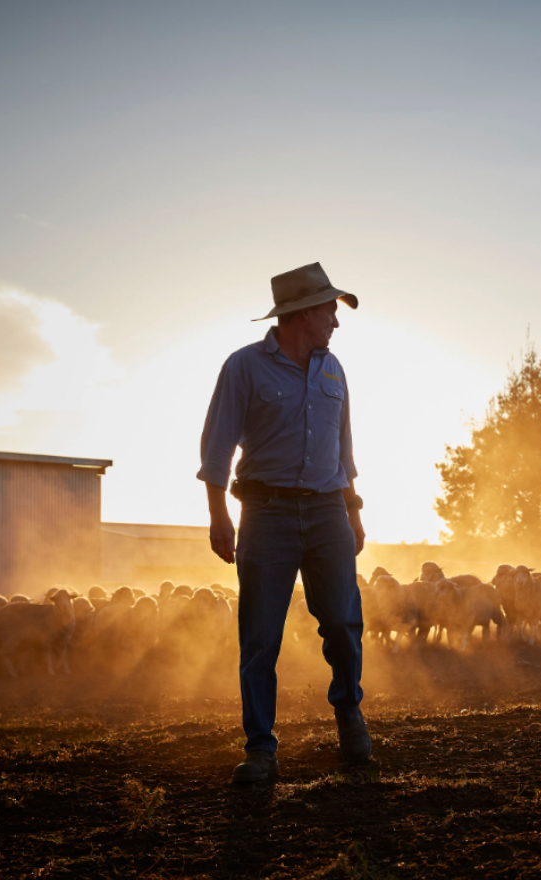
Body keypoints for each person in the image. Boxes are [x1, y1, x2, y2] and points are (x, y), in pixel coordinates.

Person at [198, 262, 370, 783]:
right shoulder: (243, 367)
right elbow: (217, 444)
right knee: (261, 634)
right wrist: (217, 515)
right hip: (265, 514)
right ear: (302, 313)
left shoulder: (334, 369)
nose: (336, 322)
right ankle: (261, 748)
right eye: (330, 310)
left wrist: (353, 508)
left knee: (342, 620)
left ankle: (349, 714)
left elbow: (343, 448)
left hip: (327, 512)